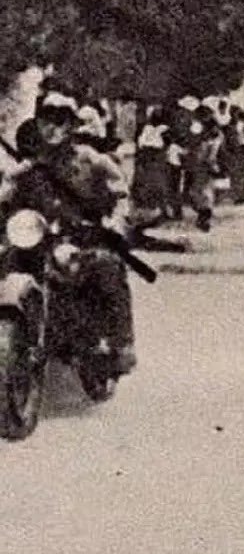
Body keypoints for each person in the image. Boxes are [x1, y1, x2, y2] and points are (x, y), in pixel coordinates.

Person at [1, 94, 136, 373]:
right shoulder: (27, 167)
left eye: (60, 120)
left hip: (80, 240)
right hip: (35, 242)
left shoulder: (91, 160)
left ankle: (121, 343)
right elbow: (5, 200)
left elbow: (120, 193)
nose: (52, 127)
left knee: (107, 265)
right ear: (37, 123)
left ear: (71, 126)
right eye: (46, 119)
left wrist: (114, 223)